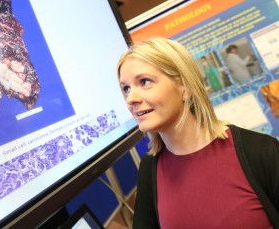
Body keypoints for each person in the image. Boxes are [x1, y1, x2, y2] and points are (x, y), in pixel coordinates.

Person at [117, 37, 279, 228]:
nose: (131, 99)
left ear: (184, 87)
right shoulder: (150, 168)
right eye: (126, 88)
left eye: (145, 82)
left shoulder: (260, 151)